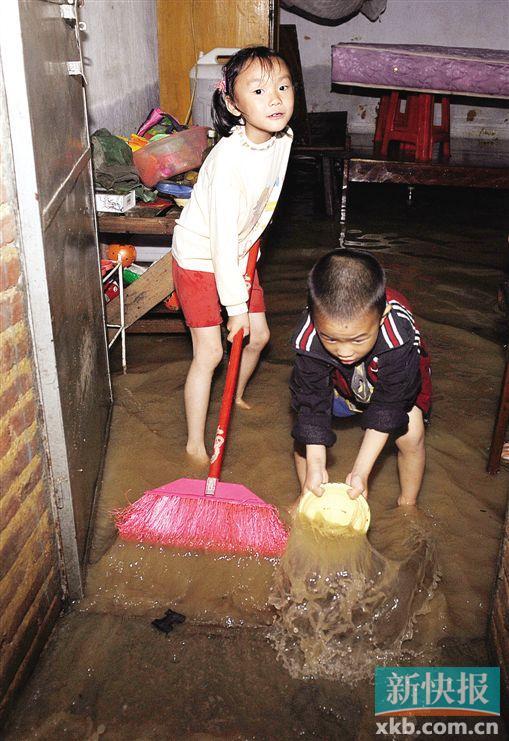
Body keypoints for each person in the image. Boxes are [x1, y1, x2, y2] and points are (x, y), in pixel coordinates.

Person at [171, 46, 294, 462]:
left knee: (258, 337)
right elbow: (219, 243)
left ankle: (233, 396)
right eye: (258, 91)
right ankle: (193, 443)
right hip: (202, 256)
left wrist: (244, 296)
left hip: (241, 247)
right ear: (232, 103)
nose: (275, 99)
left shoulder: (283, 138)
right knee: (210, 351)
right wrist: (235, 307)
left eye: (283, 86)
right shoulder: (227, 163)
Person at [290, 249, 432, 506]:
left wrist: (360, 473)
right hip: (339, 386)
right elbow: (311, 404)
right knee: (305, 436)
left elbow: (390, 405)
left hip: (391, 385)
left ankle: (407, 505)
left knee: (412, 434)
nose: (345, 351)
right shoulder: (309, 337)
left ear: (382, 317)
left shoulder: (399, 338)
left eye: (357, 339)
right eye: (331, 338)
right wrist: (317, 463)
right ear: (313, 317)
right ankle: (308, 496)